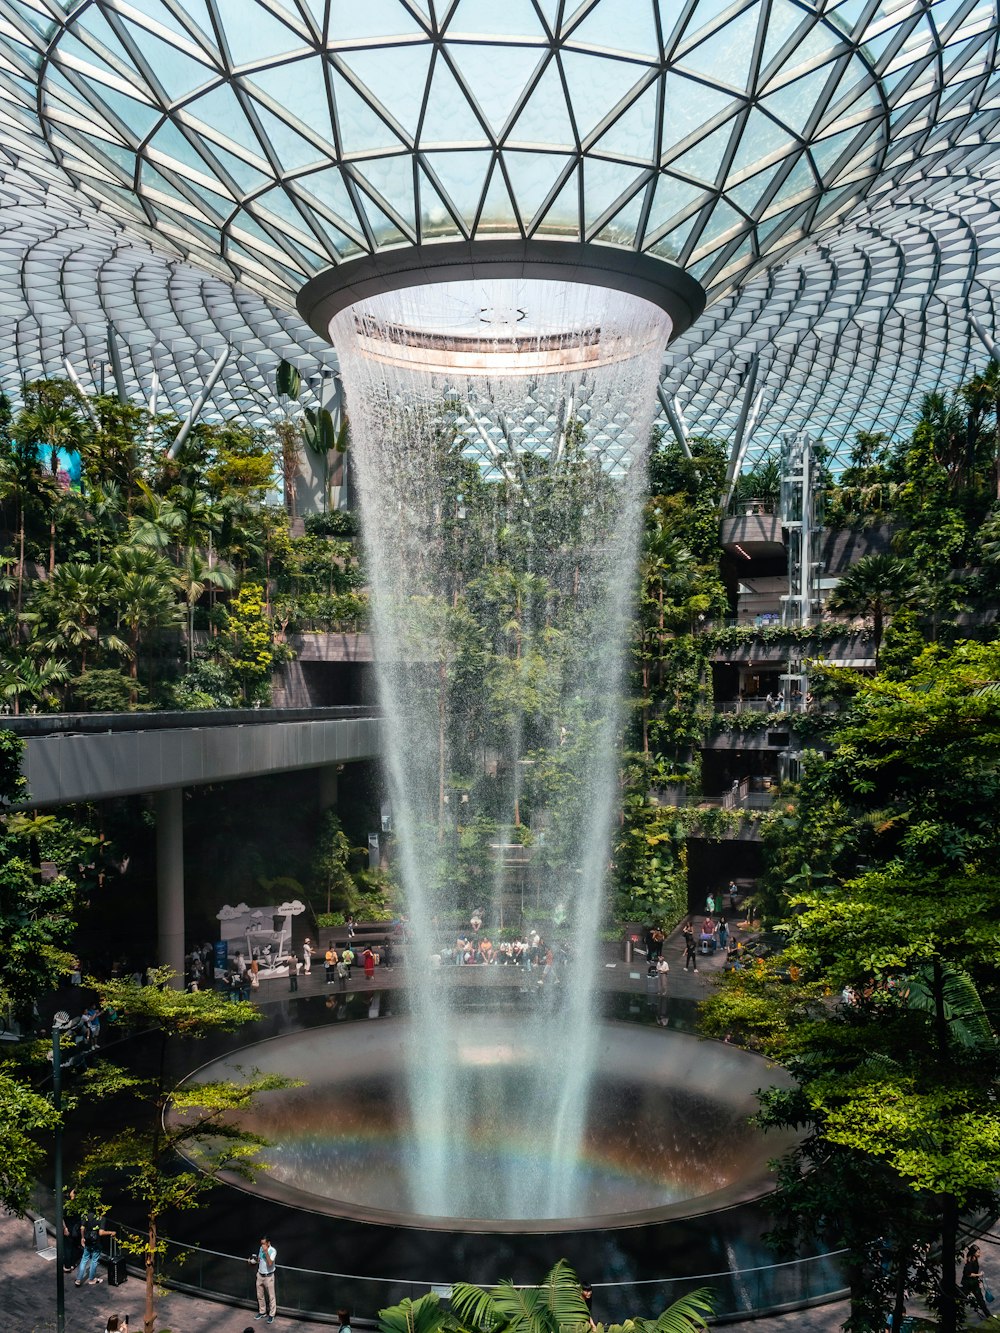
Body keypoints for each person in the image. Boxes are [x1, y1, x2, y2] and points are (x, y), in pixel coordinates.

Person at [75, 1212, 115, 1286]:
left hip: (88, 1241)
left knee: (84, 1259)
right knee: (94, 1261)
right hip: (97, 1243)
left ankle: (78, 1279)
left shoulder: (88, 1215)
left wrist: (82, 1238)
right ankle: (91, 1279)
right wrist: (111, 1232)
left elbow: (82, 1228)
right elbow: (101, 1233)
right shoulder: (102, 1218)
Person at [248, 1234, 277, 1323]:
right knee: (260, 1295)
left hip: (269, 1277)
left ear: (268, 1243)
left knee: (271, 1297)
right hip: (260, 1275)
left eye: (264, 1244)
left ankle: (271, 1315)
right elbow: (259, 1259)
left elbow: (269, 1263)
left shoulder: (273, 1251)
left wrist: (266, 1252)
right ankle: (262, 1312)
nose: (262, 1246)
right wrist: (252, 1261)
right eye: (261, 1244)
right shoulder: (261, 1248)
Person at [962, 1245, 991, 1319]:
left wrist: (978, 1279)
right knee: (962, 1297)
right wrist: (979, 1274)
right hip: (968, 1283)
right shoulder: (970, 1261)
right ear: (973, 1253)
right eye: (978, 1252)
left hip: (974, 1283)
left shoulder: (975, 1259)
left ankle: (988, 1315)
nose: (979, 1254)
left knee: (980, 1299)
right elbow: (968, 1274)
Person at [655, 957, 670, 1026]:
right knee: (659, 983)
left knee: (664, 984)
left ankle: (664, 992)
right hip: (659, 974)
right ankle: (659, 991)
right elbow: (657, 968)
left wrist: (663, 971)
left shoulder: (666, 963)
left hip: (663, 974)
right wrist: (658, 970)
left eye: (661, 961)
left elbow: (668, 970)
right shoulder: (658, 963)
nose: (660, 962)